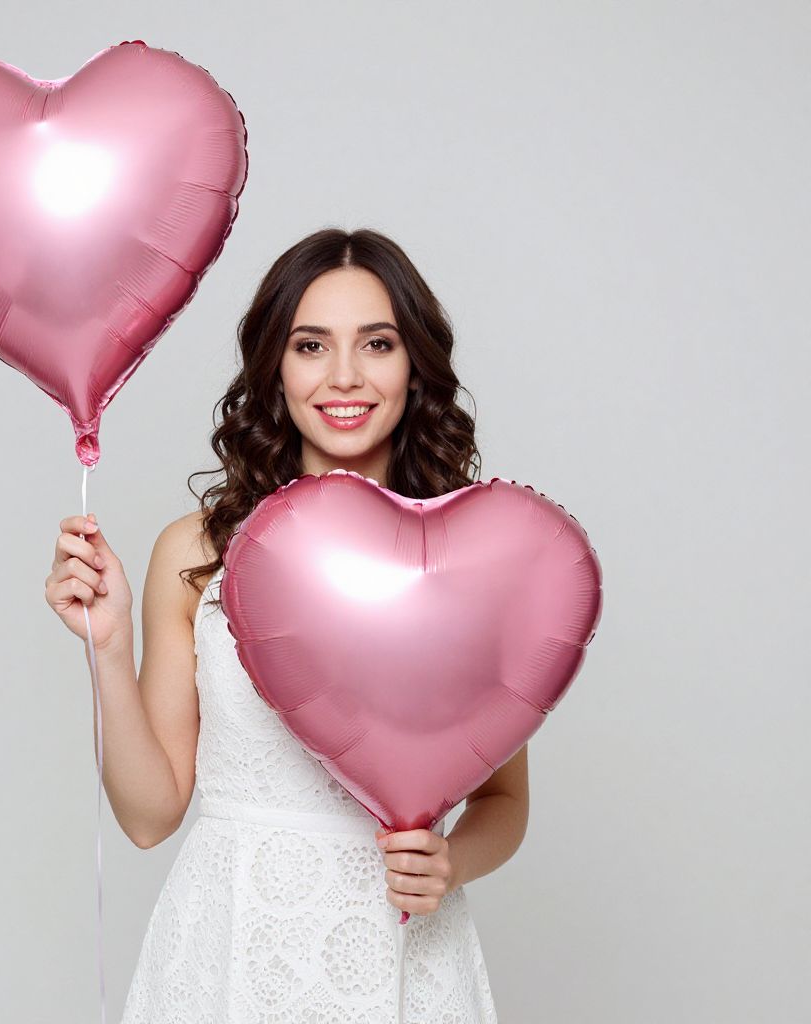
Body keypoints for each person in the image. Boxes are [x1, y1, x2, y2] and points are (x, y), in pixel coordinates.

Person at [44, 228, 528, 1022]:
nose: (344, 376)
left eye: (377, 343)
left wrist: (449, 862)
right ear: (276, 365)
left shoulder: (473, 558)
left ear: (415, 367)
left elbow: (506, 800)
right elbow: (146, 815)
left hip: (400, 944)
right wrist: (108, 645)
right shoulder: (197, 551)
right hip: (232, 944)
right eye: (311, 345)